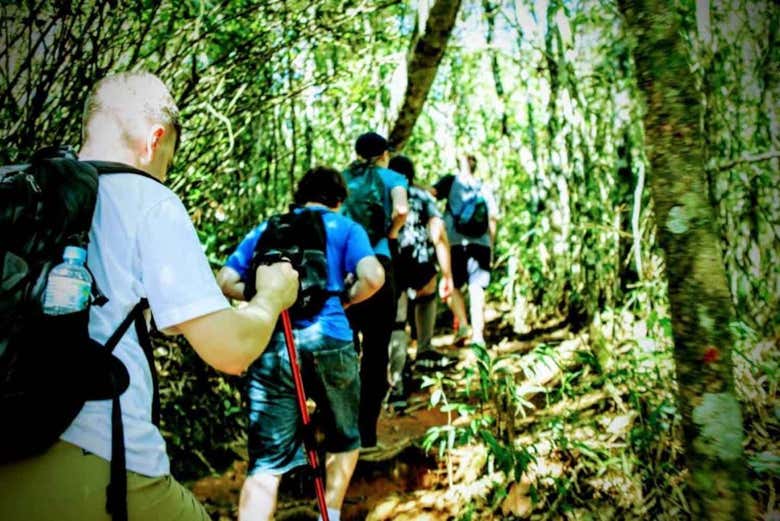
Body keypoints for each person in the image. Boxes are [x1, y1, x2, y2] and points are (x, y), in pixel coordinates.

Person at [0, 72, 299, 521]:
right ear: (154, 140)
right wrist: (272, 297)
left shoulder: (23, 195)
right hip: (98, 455)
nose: (164, 173)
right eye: (168, 160)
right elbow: (231, 351)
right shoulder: (146, 198)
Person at [217, 167, 385, 521]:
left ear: (300, 193)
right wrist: (348, 299)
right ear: (339, 199)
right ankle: (331, 513)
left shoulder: (269, 228)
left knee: (267, 460)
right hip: (331, 338)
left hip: (273, 340)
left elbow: (225, 280)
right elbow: (373, 276)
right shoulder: (346, 228)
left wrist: (271, 296)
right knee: (344, 435)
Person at [341, 132, 408, 448]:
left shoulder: (343, 178)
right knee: (377, 350)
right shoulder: (393, 176)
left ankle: (341, 427)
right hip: (380, 263)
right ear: (384, 154)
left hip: (345, 268)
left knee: (345, 348)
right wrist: (391, 235)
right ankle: (367, 433)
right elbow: (401, 210)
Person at [386, 155, 454, 400]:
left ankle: (398, 380)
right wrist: (447, 275)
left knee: (396, 320)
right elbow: (438, 233)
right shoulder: (423, 197)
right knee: (427, 295)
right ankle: (424, 349)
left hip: (392, 261)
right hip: (421, 260)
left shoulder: (382, 196)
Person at [432, 154, 499, 348]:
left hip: (454, 243)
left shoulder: (450, 182)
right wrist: (490, 245)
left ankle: (462, 324)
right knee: (476, 287)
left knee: (452, 285)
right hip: (481, 244)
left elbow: (431, 192)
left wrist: (406, 181)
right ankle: (478, 335)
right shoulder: (484, 187)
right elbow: (493, 218)